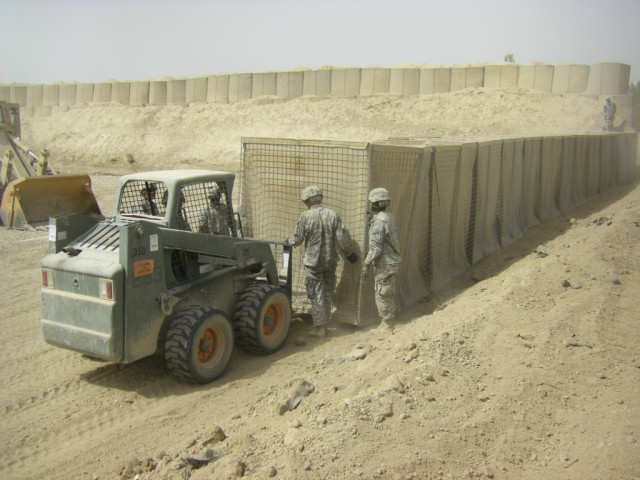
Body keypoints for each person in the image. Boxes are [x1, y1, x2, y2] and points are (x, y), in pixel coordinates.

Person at [286, 186, 358, 339]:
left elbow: (297, 240)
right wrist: (349, 254)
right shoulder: (333, 215)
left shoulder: (305, 217)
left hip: (313, 263)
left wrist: (288, 241)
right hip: (330, 261)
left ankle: (320, 328)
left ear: (307, 201)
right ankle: (324, 323)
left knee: (316, 294)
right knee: (327, 291)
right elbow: (342, 238)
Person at [361, 187, 402, 331]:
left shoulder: (379, 221)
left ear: (377, 204)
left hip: (385, 262)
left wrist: (366, 264)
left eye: (372, 202)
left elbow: (376, 248)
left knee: (382, 293)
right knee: (387, 291)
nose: (370, 205)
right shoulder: (388, 217)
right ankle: (388, 321)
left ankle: (387, 324)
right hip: (391, 260)